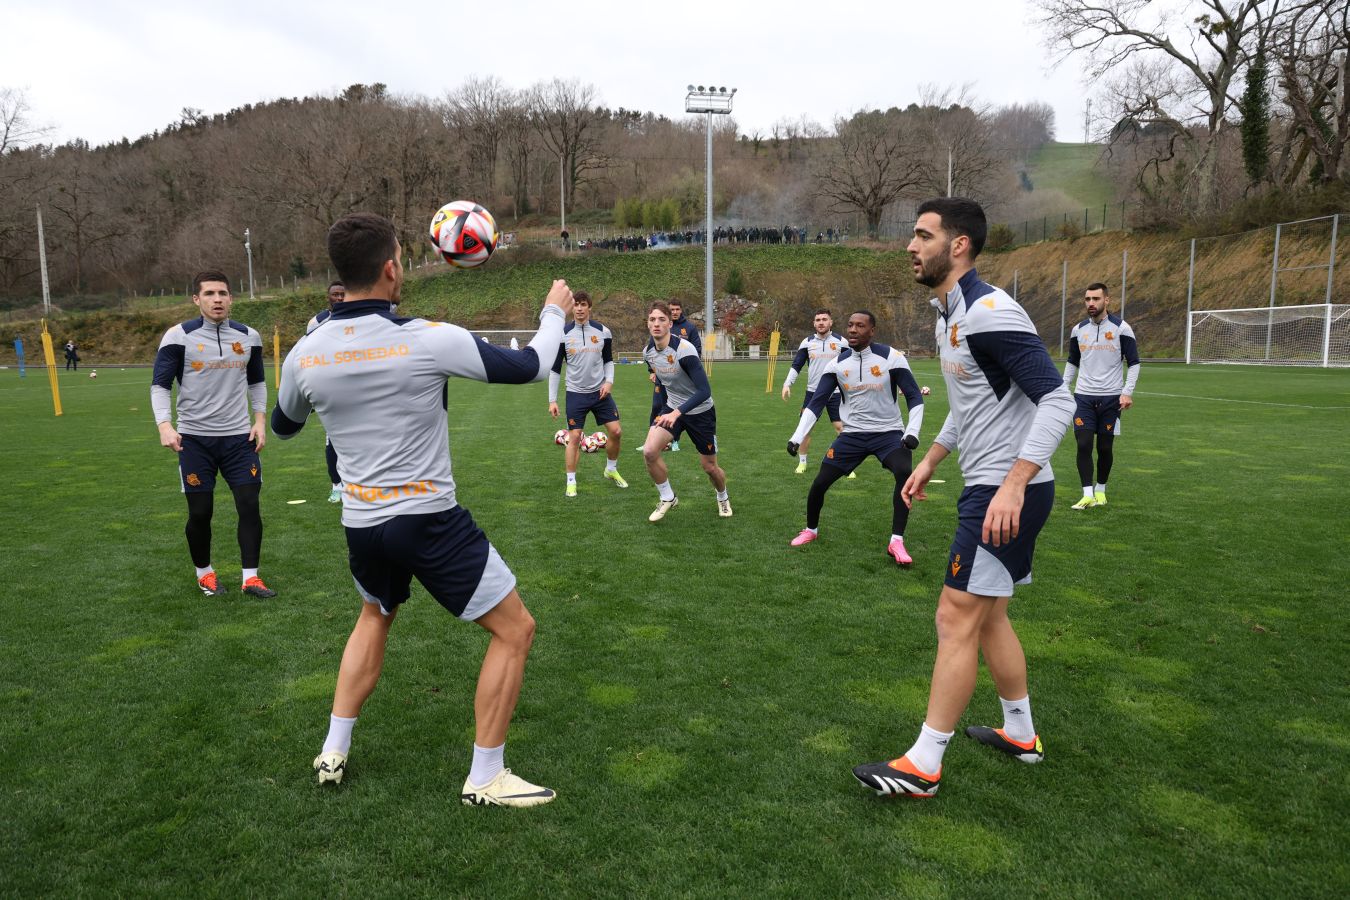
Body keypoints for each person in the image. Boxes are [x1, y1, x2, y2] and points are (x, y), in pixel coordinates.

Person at [272, 212, 573, 806]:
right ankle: (485, 777)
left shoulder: (305, 354)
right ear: (391, 270)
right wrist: (554, 309)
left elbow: (284, 426)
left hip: (361, 523)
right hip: (427, 519)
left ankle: (334, 747)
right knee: (515, 630)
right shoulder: (428, 337)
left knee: (375, 614)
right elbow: (532, 366)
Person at [852, 198, 1073, 798]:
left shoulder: (990, 312)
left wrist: (1013, 482)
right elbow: (971, 405)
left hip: (1006, 491)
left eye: (922, 235)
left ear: (959, 246)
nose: (909, 245)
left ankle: (923, 766)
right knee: (991, 614)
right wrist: (928, 459)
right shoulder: (949, 313)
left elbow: (1058, 400)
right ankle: (1022, 734)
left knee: (954, 617)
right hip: (992, 484)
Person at [151, 271, 275, 599]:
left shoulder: (250, 336)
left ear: (231, 298)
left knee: (249, 505)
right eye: (209, 294)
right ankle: (204, 573)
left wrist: (259, 420)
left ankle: (251, 578)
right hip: (195, 440)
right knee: (200, 512)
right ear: (197, 299)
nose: (216, 299)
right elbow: (160, 385)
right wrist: (165, 425)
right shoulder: (178, 337)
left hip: (238, 439)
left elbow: (257, 383)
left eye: (222, 293)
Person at [785, 311, 925, 565]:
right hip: (852, 435)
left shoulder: (892, 358)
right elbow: (816, 404)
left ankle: (897, 541)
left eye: (860, 326)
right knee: (819, 483)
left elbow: (914, 396)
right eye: (850, 325)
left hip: (889, 433)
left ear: (872, 331)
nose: (853, 330)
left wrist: (912, 432)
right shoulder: (837, 364)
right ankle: (811, 530)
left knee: (904, 472)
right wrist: (797, 437)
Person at [641, 301, 730, 522]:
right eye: (652, 320)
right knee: (650, 451)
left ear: (670, 324)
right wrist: (665, 411)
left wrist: (676, 413)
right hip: (672, 408)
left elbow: (704, 391)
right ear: (647, 324)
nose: (657, 324)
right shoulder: (648, 353)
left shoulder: (685, 350)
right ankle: (668, 497)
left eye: (662, 319)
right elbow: (661, 383)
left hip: (700, 411)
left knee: (709, 467)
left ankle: (723, 497)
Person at [1063, 283, 1140, 509]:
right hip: (1083, 397)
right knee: (1084, 444)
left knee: (1105, 448)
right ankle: (1087, 494)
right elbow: (1072, 361)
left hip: (1111, 399)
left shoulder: (1122, 328)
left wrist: (1127, 392)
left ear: (1107, 300)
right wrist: (1063, 386)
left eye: (1095, 299)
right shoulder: (1078, 330)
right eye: (1087, 299)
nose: (1091, 303)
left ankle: (1101, 489)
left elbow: (1134, 363)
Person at [548, 290, 626, 496]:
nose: (580, 309)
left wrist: (609, 382)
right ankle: (571, 482)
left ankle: (611, 470)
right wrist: (552, 400)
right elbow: (555, 368)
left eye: (584, 304)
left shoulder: (603, 332)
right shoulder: (563, 334)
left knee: (616, 432)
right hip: (575, 393)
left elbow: (609, 361)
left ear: (590, 307)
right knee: (574, 437)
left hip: (600, 392)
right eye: (576, 305)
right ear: (572, 308)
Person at [781, 309, 848, 475]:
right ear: (814, 323)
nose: (821, 322)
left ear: (830, 322)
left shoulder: (842, 342)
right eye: (818, 319)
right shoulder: (807, 342)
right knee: (805, 429)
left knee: (841, 428)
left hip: (836, 393)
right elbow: (797, 365)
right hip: (813, 393)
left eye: (824, 319)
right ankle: (802, 463)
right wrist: (787, 384)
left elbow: (851, 366)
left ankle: (846, 464)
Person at [307, 281, 348, 503]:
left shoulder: (359, 317)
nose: (340, 298)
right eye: (335, 294)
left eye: (343, 294)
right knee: (332, 438)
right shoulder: (317, 322)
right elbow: (310, 356)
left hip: (357, 387)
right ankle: (336, 485)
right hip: (330, 388)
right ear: (328, 296)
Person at [648, 300, 702, 452]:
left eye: (678, 309)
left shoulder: (689, 328)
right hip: (663, 377)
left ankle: (675, 440)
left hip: (682, 378)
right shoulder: (657, 330)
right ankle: (652, 440)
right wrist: (652, 371)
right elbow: (651, 353)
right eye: (672, 309)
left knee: (677, 409)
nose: (675, 312)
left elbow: (696, 350)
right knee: (657, 407)